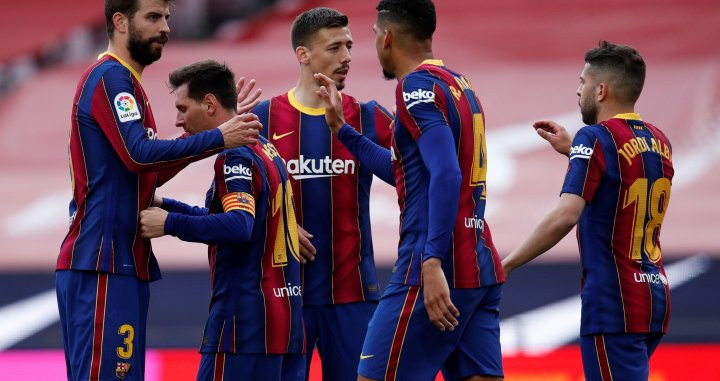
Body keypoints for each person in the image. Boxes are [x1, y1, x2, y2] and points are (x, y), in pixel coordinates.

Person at [55, 0, 262, 379]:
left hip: (121, 260)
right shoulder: (110, 78)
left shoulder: (129, 85)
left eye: (167, 17)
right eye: (153, 17)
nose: (165, 27)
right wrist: (218, 136)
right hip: (102, 261)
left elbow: (143, 171)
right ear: (120, 21)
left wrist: (221, 132)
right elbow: (139, 155)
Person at [315, 1, 505, 379]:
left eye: (370, 37)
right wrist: (344, 132)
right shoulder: (459, 85)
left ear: (387, 37)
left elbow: (447, 174)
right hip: (480, 267)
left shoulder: (414, 88)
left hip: (432, 268)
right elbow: (406, 172)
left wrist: (431, 261)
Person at [501, 40, 673, 381]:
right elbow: (623, 186)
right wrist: (574, 152)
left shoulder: (594, 137)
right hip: (654, 295)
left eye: (582, 83)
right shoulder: (659, 141)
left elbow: (566, 214)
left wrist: (506, 263)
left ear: (602, 90)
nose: (578, 91)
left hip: (615, 301)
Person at [138, 60, 305, 381]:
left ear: (210, 104)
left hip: (243, 326)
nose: (178, 119)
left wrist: (170, 224)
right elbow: (245, 221)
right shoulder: (265, 147)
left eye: (183, 108)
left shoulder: (235, 156)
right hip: (285, 324)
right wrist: (167, 205)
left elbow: (238, 225)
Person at [251, 7, 394, 380]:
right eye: (334, 48)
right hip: (285, 297)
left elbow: (412, 176)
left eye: (349, 46)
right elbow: (229, 201)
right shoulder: (263, 119)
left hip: (354, 295)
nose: (346, 57)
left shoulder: (369, 117)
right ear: (303, 54)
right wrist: (277, 225)